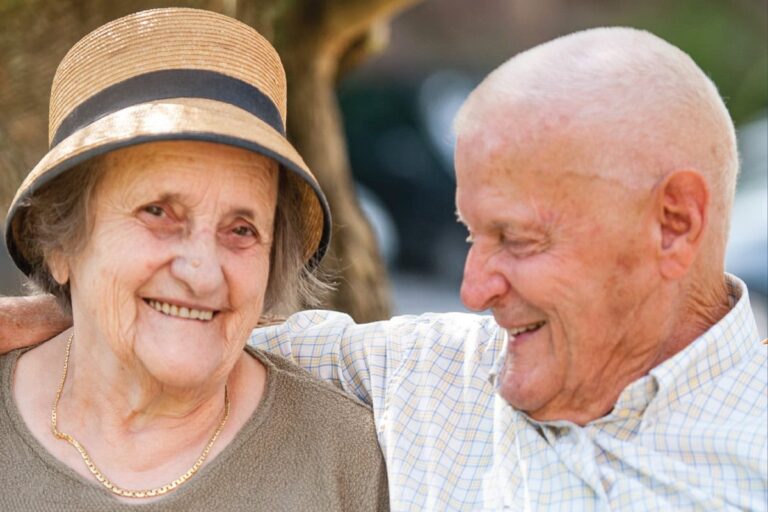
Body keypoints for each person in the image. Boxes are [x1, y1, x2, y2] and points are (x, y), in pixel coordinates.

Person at [4, 26, 766, 511]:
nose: (474, 291)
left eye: (520, 240)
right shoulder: (431, 379)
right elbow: (211, 330)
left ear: (675, 225)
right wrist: (77, 304)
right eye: (472, 234)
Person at [0, 8, 388, 511]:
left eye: (242, 229)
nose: (202, 272)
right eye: (159, 212)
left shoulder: (344, 460)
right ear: (59, 242)